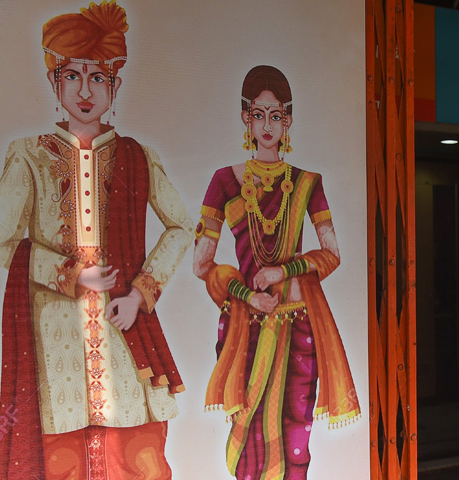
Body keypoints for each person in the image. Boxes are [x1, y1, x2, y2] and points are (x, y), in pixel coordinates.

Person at [0, 2, 194, 478]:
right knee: (61, 461)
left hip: (122, 336)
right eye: (72, 76)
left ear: (115, 86)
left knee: (137, 458)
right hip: (56, 342)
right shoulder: (27, 156)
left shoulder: (138, 157)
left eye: (98, 79)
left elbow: (182, 226)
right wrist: (68, 272)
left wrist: (141, 295)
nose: (85, 92)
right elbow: (4, 241)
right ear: (54, 82)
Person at [193, 65, 360, 480]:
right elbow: (202, 264)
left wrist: (282, 271)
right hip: (248, 325)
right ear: (246, 117)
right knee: (249, 434)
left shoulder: (307, 183)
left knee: (296, 439)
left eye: (276, 115)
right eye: (259, 114)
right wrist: (248, 293)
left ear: (288, 120)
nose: (267, 125)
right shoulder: (224, 182)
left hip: (299, 325)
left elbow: (332, 254)